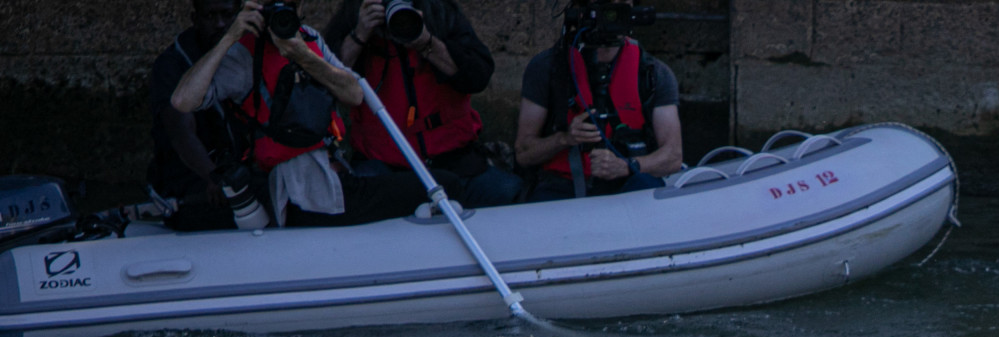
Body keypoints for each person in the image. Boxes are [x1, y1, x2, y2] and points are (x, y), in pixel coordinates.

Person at [172, 0, 430, 227]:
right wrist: (230, 37)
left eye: (291, 7)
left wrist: (303, 56)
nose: (282, 17)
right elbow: (183, 100)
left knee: (386, 172)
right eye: (275, 8)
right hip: (303, 191)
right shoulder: (244, 55)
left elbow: (354, 94)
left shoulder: (308, 39)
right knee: (442, 184)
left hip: (337, 172)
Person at [324, 0, 525, 208]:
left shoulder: (440, 13)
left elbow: (479, 76)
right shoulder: (354, 16)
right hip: (384, 167)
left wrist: (426, 42)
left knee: (508, 191)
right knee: (348, 200)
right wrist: (359, 34)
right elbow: (326, 81)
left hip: (453, 160)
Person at [515, 6, 683, 202]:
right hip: (561, 187)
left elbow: (673, 156)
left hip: (628, 184)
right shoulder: (547, 67)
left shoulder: (652, 73)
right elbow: (523, 154)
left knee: (647, 188)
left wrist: (628, 166)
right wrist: (565, 138)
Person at [148, 0, 251, 231]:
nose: (220, 24)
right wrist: (212, 176)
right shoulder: (172, 64)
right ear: (195, 19)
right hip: (192, 178)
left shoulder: (248, 52)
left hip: (239, 168)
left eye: (227, 15)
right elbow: (181, 133)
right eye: (210, 17)